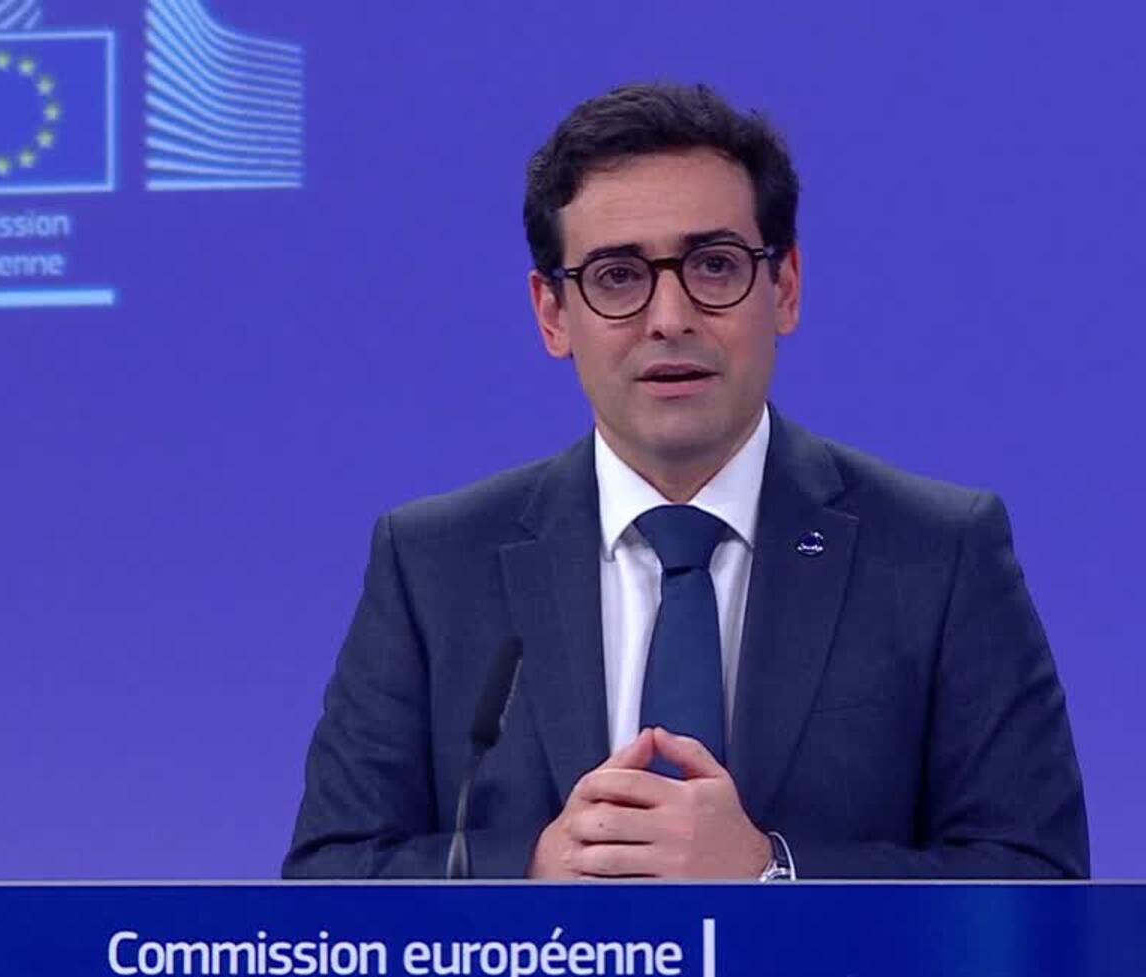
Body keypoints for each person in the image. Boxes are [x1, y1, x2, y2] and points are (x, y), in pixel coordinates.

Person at [283, 83, 1088, 881]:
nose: (670, 317)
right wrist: (529, 873)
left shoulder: (938, 553)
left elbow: (1037, 877)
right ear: (552, 313)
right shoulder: (432, 565)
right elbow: (327, 876)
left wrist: (773, 874)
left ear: (786, 287)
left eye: (714, 265)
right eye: (617, 275)